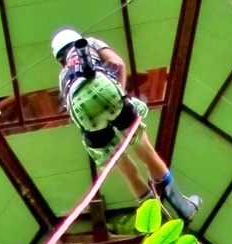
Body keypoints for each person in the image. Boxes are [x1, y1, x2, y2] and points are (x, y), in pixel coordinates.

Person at [51, 30, 199, 222]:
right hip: (106, 90)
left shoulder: (64, 76)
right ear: (76, 40)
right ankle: (183, 208)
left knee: (125, 169)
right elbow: (118, 63)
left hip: (82, 112)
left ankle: (156, 221)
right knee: (146, 152)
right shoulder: (88, 43)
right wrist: (120, 93)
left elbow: (70, 106)